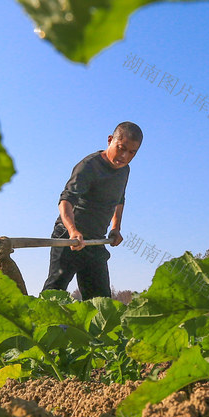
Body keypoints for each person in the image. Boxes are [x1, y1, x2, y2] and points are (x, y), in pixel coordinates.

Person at [40, 122, 142, 300]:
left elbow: (119, 200)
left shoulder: (124, 170)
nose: (124, 156)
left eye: (132, 152)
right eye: (121, 148)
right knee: (54, 292)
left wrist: (116, 228)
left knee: (101, 302)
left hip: (95, 241)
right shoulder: (88, 166)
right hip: (68, 238)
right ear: (110, 140)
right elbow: (65, 201)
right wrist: (73, 231)